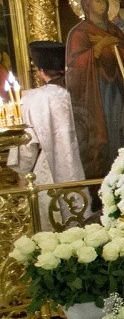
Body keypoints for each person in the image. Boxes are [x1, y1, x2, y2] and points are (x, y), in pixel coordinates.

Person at [8, 42, 86, 230]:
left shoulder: (34, 98)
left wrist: (23, 173)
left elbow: (27, 142)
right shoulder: (82, 90)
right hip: (89, 166)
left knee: (54, 228)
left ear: (40, 71)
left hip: (50, 172)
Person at [65, 0, 124, 179]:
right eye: (97, 1)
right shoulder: (79, 32)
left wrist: (116, 47)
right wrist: (97, 49)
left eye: (104, 1)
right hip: (95, 89)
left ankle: (122, 162)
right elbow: (75, 63)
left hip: (117, 85)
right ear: (87, 5)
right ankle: (104, 166)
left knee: (118, 122)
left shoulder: (114, 30)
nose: (102, 5)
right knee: (102, 125)